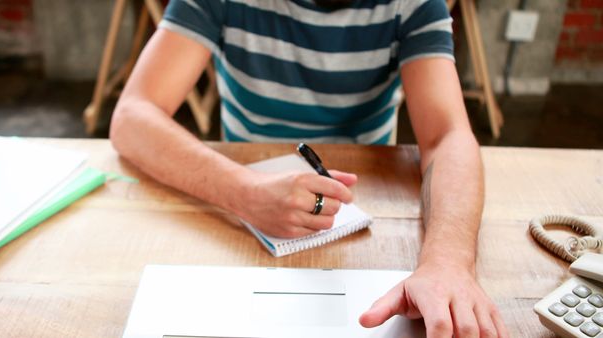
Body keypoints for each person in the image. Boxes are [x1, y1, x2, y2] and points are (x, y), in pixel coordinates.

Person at [110, 0, 509, 337]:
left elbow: (448, 137)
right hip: (238, 215)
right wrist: (244, 190)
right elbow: (132, 116)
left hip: (368, 216)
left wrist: (448, 261)